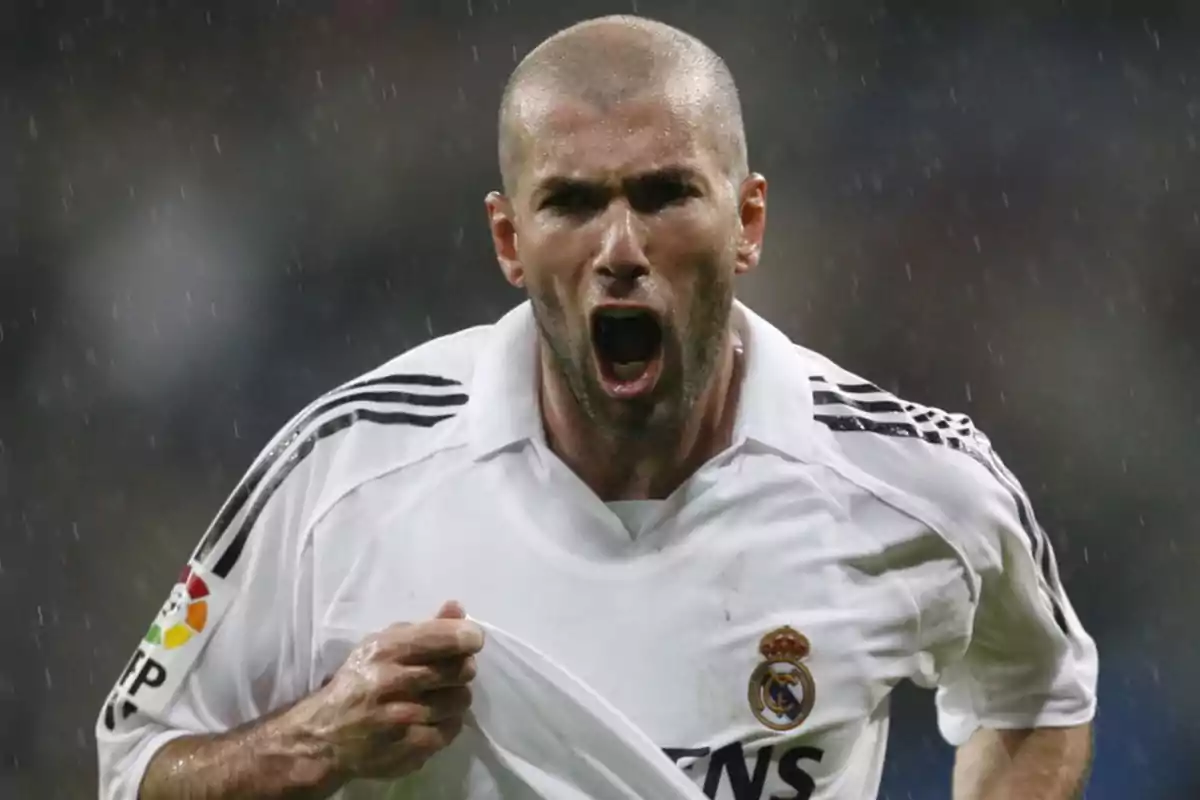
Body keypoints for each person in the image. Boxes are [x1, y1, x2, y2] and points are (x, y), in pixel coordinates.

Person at [95, 14, 1098, 800]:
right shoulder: (344, 470)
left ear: (747, 221)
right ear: (508, 239)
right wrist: (309, 740)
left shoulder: (920, 484)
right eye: (572, 202)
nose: (620, 247)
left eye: (664, 194)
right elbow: (133, 768)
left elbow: (1040, 696)